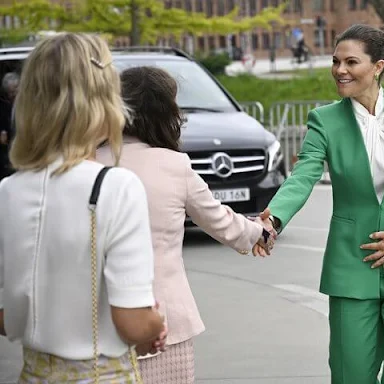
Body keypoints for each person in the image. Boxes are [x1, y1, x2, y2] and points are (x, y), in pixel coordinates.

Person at [258, 24, 384, 383]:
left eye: (351, 62)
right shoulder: (325, 120)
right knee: (350, 374)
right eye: (336, 61)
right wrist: (275, 219)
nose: (339, 70)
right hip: (351, 267)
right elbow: (302, 176)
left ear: (378, 66)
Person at [0, 33, 167, 382]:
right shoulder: (116, 187)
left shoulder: (8, 191)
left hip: (34, 372)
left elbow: (7, 315)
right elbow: (133, 322)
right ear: (105, 103)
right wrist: (154, 324)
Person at [96, 65, 276, 383]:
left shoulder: (90, 163)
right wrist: (258, 231)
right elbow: (218, 219)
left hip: (100, 323)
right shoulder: (174, 165)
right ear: (166, 112)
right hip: (165, 322)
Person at [0, 72, 18, 180]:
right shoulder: (7, 104)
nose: (12, 94)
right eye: (10, 92)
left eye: (14, 90)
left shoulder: (28, 103)